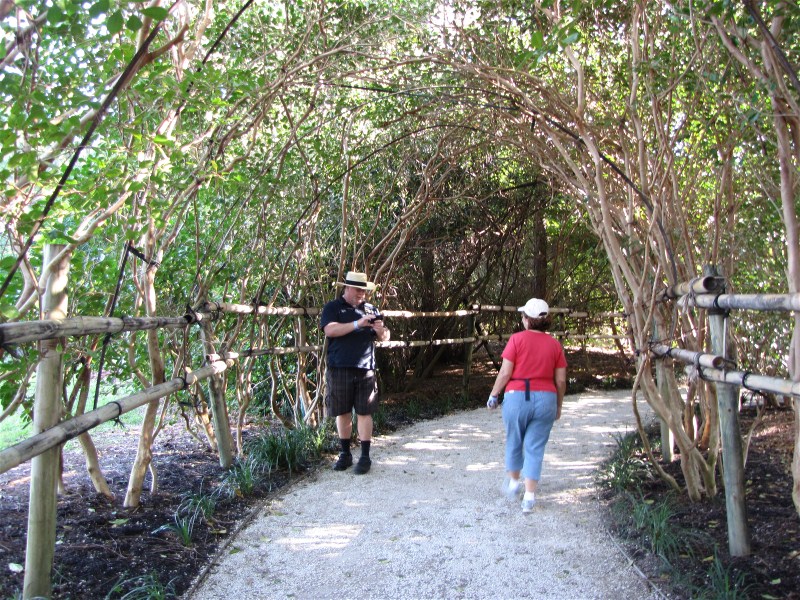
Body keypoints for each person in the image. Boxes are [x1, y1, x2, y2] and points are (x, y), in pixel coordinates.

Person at [487, 298, 567, 513]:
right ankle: (529, 497)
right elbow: (560, 381)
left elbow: (505, 373)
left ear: (527, 319)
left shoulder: (516, 340)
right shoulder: (555, 345)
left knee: (514, 439)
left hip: (517, 397)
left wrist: (494, 394)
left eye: (523, 316)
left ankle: (514, 483)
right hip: (547, 399)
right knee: (535, 446)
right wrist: (558, 405)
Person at [320, 270, 390, 475]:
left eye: (364, 290)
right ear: (347, 288)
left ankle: (365, 456)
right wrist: (357, 323)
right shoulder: (333, 308)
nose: (362, 294)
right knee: (342, 411)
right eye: (358, 289)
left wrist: (380, 330)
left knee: (364, 412)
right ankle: (345, 454)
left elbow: (385, 336)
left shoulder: (371, 309)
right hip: (339, 366)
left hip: (366, 368)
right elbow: (330, 330)